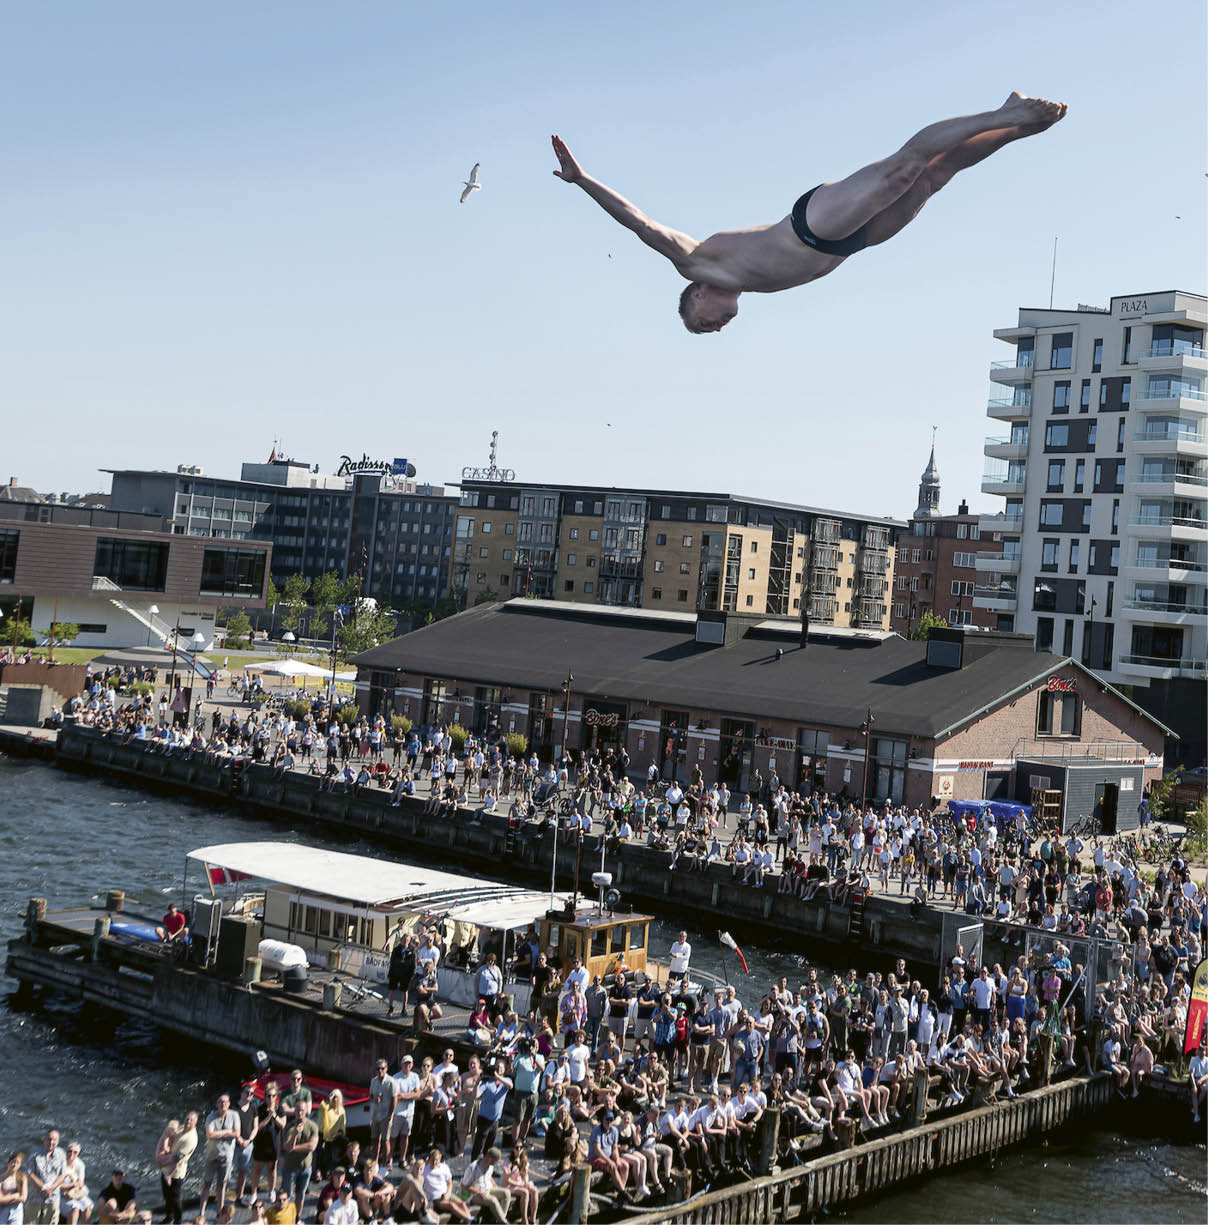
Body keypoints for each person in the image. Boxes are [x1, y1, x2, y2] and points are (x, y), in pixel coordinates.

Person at [550, 94, 1067, 335]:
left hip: (815, 225)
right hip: (852, 243)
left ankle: (1003, 116)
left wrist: (583, 181)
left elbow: (640, 222)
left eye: (703, 325)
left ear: (696, 297)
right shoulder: (749, 287)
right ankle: (1015, 126)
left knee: (904, 168)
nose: (716, 328)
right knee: (934, 177)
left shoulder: (695, 264)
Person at [199, 1093, 240, 1221]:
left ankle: (220, 1212)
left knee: (222, 1184)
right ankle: (201, 1213)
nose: (223, 1104)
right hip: (211, 1156)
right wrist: (227, 1132)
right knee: (207, 1183)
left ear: (229, 1104)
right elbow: (210, 1134)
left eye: (225, 1102)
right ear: (217, 1104)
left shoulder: (234, 1115)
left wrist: (222, 1134)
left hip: (226, 1156)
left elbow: (237, 1133)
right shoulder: (211, 1116)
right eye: (220, 1102)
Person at [278, 1101, 319, 1211]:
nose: (299, 1113)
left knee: (301, 1195)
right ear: (294, 1111)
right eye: (297, 1110)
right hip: (290, 1168)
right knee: (287, 1196)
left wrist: (293, 1148)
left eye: (302, 1110)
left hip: (305, 1168)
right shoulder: (289, 1127)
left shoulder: (312, 1126)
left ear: (306, 1111)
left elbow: (312, 1146)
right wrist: (295, 1134)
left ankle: (297, 1218)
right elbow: (286, 1147)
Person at [158, 1113, 197, 1225]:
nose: (188, 1121)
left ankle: (178, 1221)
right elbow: (168, 1133)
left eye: (191, 1120)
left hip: (175, 1173)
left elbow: (178, 1158)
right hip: (165, 1169)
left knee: (176, 1198)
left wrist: (168, 1172)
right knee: (166, 1196)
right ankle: (169, 1217)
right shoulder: (180, 1128)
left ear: (195, 1122)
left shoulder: (191, 1139)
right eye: (187, 1119)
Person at [459, 1148, 510, 1224]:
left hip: (487, 1189)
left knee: (506, 1192)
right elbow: (463, 1185)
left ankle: (501, 1219)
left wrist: (496, 1186)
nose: (496, 1163)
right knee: (493, 1200)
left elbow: (489, 1176)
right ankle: (504, 1222)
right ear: (490, 1158)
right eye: (495, 1161)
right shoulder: (473, 1168)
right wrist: (479, 1192)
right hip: (474, 1195)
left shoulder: (490, 1166)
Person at [26, 1131, 66, 1225]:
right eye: (49, 1139)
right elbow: (30, 1174)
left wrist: (51, 1188)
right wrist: (44, 1187)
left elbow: (62, 1175)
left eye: (54, 1139)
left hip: (53, 1197)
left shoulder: (61, 1155)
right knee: (30, 1222)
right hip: (35, 1198)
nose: (51, 1142)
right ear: (44, 1140)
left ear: (58, 1141)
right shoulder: (34, 1154)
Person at [420, 1150, 467, 1223]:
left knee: (462, 1204)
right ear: (429, 1159)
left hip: (446, 1194)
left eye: (437, 1160)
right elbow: (419, 1186)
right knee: (451, 1205)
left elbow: (450, 1183)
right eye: (433, 1160)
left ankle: (470, 1220)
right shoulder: (424, 1171)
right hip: (435, 1199)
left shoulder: (444, 1167)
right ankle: (470, 1220)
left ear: (440, 1160)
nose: (435, 1162)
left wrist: (448, 1194)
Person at [0, 1153, 28, 1225]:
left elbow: (23, 1198)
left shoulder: (22, 1177)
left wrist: (5, 1200)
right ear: (9, 1162)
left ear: (20, 1165)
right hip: (2, 1211)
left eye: (17, 1163)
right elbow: (0, 1199)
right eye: (13, 1161)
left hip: (17, 1212)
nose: (14, 1164)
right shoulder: (1, 1178)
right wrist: (15, 1196)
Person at [1190, 1045, 1208, 1124]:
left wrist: (1201, 1079)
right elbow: (1191, 1073)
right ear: (1199, 1052)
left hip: (1203, 1078)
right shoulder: (1194, 1060)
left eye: (1204, 1051)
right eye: (1201, 1051)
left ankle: (1195, 1108)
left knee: (1204, 1088)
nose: (1203, 1053)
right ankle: (1196, 1115)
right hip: (1194, 1078)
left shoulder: (1207, 1060)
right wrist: (1194, 1084)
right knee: (1194, 1091)